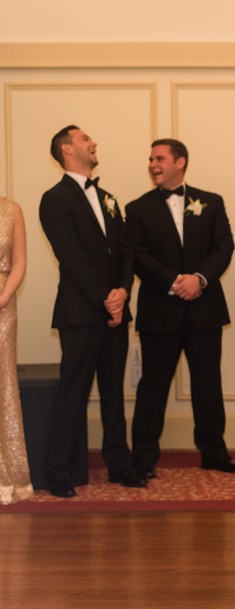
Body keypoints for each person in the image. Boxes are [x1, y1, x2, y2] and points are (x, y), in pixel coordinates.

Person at [126, 138, 235, 480]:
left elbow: (224, 246)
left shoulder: (210, 202)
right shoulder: (137, 208)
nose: (152, 164)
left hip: (204, 309)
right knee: (153, 387)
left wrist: (199, 279)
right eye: (150, 159)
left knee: (208, 384)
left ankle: (214, 453)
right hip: (159, 310)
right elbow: (137, 255)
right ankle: (144, 457)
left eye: (159, 158)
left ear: (180, 162)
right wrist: (176, 281)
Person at [39, 125, 145, 497]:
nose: (93, 142)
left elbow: (127, 251)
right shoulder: (54, 199)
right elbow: (71, 258)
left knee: (114, 392)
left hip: (114, 311)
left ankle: (120, 465)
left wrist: (122, 293)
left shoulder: (108, 197)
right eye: (85, 139)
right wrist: (105, 297)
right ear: (67, 149)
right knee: (74, 392)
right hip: (80, 313)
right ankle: (59, 472)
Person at [0, 192, 33, 505]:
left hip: (2, 307)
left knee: (2, 387)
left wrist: (3, 298)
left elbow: (20, 261)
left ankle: (5, 475)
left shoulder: (12, 209)